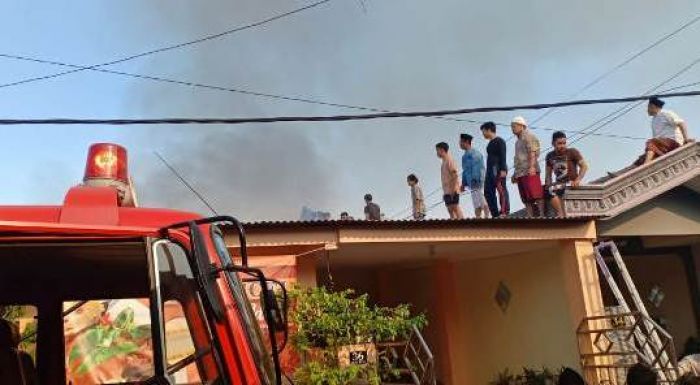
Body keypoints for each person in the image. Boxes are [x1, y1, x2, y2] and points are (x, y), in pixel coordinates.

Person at [636, 97, 692, 166]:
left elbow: (681, 123)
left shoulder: (666, 113)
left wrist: (686, 139)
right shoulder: (654, 120)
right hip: (662, 145)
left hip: (672, 142)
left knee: (651, 142)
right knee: (641, 159)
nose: (647, 110)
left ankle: (646, 165)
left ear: (653, 106)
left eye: (648, 107)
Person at [545, 131, 588, 217]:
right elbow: (548, 174)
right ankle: (560, 213)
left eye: (564, 143)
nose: (562, 146)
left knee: (552, 189)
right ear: (553, 143)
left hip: (571, 183)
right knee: (548, 190)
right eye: (559, 143)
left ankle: (561, 213)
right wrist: (548, 184)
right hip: (559, 184)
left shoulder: (572, 152)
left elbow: (584, 166)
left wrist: (578, 180)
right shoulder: (550, 156)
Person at [511, 116, 545, 217]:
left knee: (536, 194)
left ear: (522, 126)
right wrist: (515, 174)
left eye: (514, 126)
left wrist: (532, 167)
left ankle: (542, 214)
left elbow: (533, 152)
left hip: (530, 169)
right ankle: (530, 216)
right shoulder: (517, 142)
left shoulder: (529, 136)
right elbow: (518, 159)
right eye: (512, 127)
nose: (513, 129)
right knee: (526, 197)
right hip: (520, 172)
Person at [480, 122, 510, 218]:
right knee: (487, 191)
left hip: (498, 169)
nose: (483, 134)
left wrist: (503, 169)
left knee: (501, 190)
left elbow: (503, 155)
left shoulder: (499, 141)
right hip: (489, 171)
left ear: (489, 130)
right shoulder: (490, 143)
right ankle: (495, 214)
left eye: (483, 131)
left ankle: (504, 212)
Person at [459, 133, 490, 218]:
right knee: (476, 203)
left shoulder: (475, 154)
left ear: (467, 142)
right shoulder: (464, 157)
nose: (460, 144)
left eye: (461, 142)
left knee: (481, 199)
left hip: (477, 181)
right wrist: (463, 184)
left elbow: (477, 167)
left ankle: (487, 216)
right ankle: (478, 218)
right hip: (470, 183)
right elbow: (465, 171)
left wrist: (475, 179)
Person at [435, 142, 464, 219]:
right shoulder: (443, 162)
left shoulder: (449, 160)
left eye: (437, 150)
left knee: (455, 207)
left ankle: (464, 227)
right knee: (450, 210)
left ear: (441, 150)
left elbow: (454, 174)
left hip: (452, 190)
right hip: (447, 191)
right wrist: (445, 192)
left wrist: (453, 189)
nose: (436, 153)